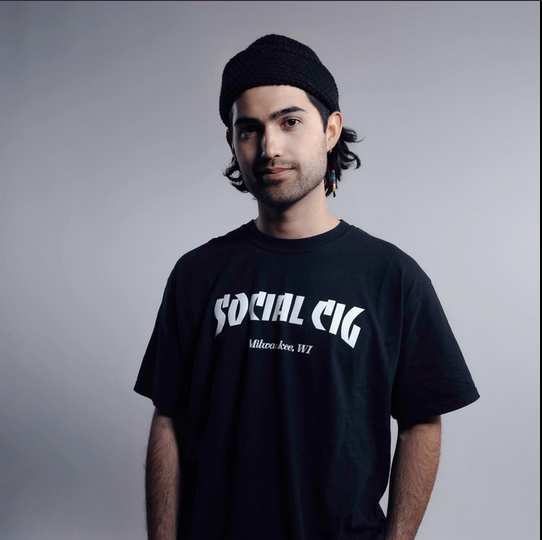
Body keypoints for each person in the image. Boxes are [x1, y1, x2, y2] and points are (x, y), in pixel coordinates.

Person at [134, 34, 480, 540]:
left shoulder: (392, 277)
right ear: (232, 143)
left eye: (289, 121)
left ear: (331, 129)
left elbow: (421, 422)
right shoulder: (197, 274)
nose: (269, 147)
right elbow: (167, 419)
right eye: (249, 129)